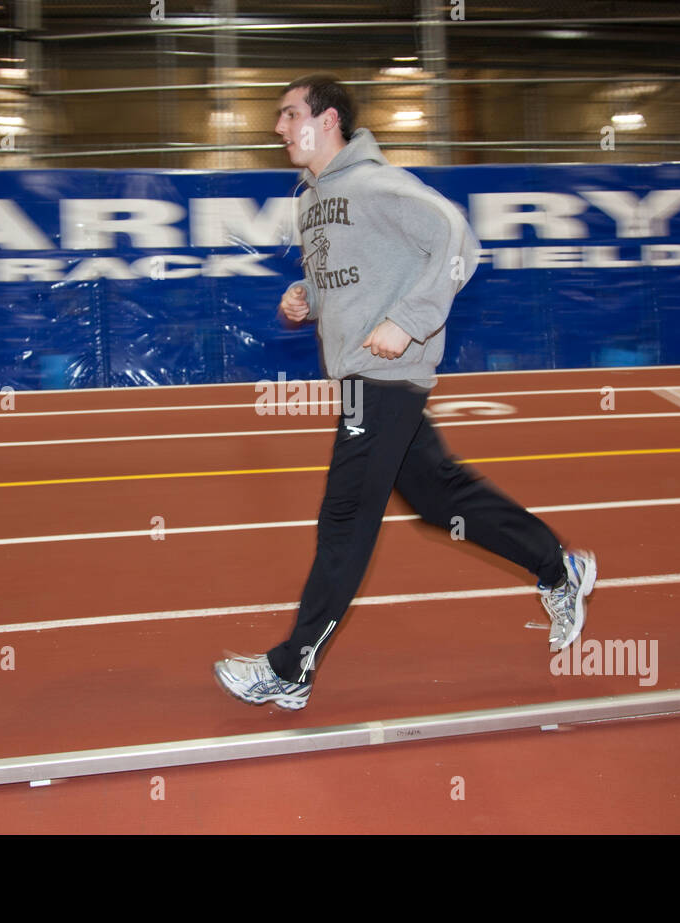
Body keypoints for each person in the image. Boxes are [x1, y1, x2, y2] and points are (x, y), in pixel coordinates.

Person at [214, 73, 595, 710]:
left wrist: (408, 320)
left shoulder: (374, 183)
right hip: (364, 375)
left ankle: (292, 666)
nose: (279, 127)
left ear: (328, 119)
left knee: (345, 517)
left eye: (289, 114)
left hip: (384, 377)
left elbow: (458, 243)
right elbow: (348, 279)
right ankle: (558, 566)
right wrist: (306, 300)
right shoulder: (310, 201)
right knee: (436, 494)